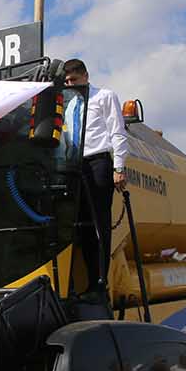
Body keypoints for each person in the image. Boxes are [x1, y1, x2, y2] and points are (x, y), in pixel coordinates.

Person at [61, 59, 129, 298]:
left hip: (97, 161)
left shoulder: (104, 96)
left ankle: (99, 282)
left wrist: (118, 167)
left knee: (98, 224)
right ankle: (77, 284)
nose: (71, 85)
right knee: (78, 226)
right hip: (74, 165)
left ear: (86, 77)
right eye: (67, 81)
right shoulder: (69, 105)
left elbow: (117, 132)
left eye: (74, 80)